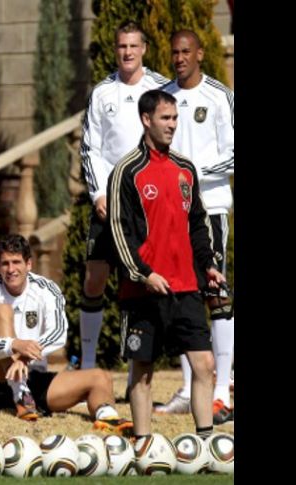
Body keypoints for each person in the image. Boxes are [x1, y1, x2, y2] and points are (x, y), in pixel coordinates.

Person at [107, 89, 225, 443]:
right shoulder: (127, 171)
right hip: (142, 291)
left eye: (175, 118)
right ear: (146, 120)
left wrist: (208, 265)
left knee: (204, 365)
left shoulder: (185, 168)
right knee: (142, 373)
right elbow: (118, 229)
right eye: (165, 118)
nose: (172, 125)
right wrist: (144, 274)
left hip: (185, 286)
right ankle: (144, 446)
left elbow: (198, 223)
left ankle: (204, 444)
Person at [0, 234, 133, 435]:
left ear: (29, 264)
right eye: (5, 264)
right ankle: (19, 393)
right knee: (3, 311)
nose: (11, 270)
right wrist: (15, 345)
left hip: (33, 377)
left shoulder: (47, 290)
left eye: (16, 262)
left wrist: (24, 358)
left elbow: (58, 334)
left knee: (101, 377)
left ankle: (107, 419)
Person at [79, 21, 169, 371]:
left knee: (145, 280)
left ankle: (141, 362)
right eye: (121, 47)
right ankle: (87, 363)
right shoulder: (102, 93)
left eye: (133, 46)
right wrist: (98, 194)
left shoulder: (161, 87)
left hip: (148, 203)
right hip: (109, 201)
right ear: (115, 50)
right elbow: (91, 149)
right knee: (95, 277)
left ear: (143, 48)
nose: (127, 52)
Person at [156, 30, 235, 424]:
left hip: (211, 207)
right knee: (182, 294)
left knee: (215, 289)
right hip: (173, 212)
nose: (180, 58)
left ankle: (222, 390)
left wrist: (195, 174)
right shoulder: (164, 96)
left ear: (200, 54)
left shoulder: (218, 96)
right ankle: (190, 389)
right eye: (175, 52)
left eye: (187, 52)